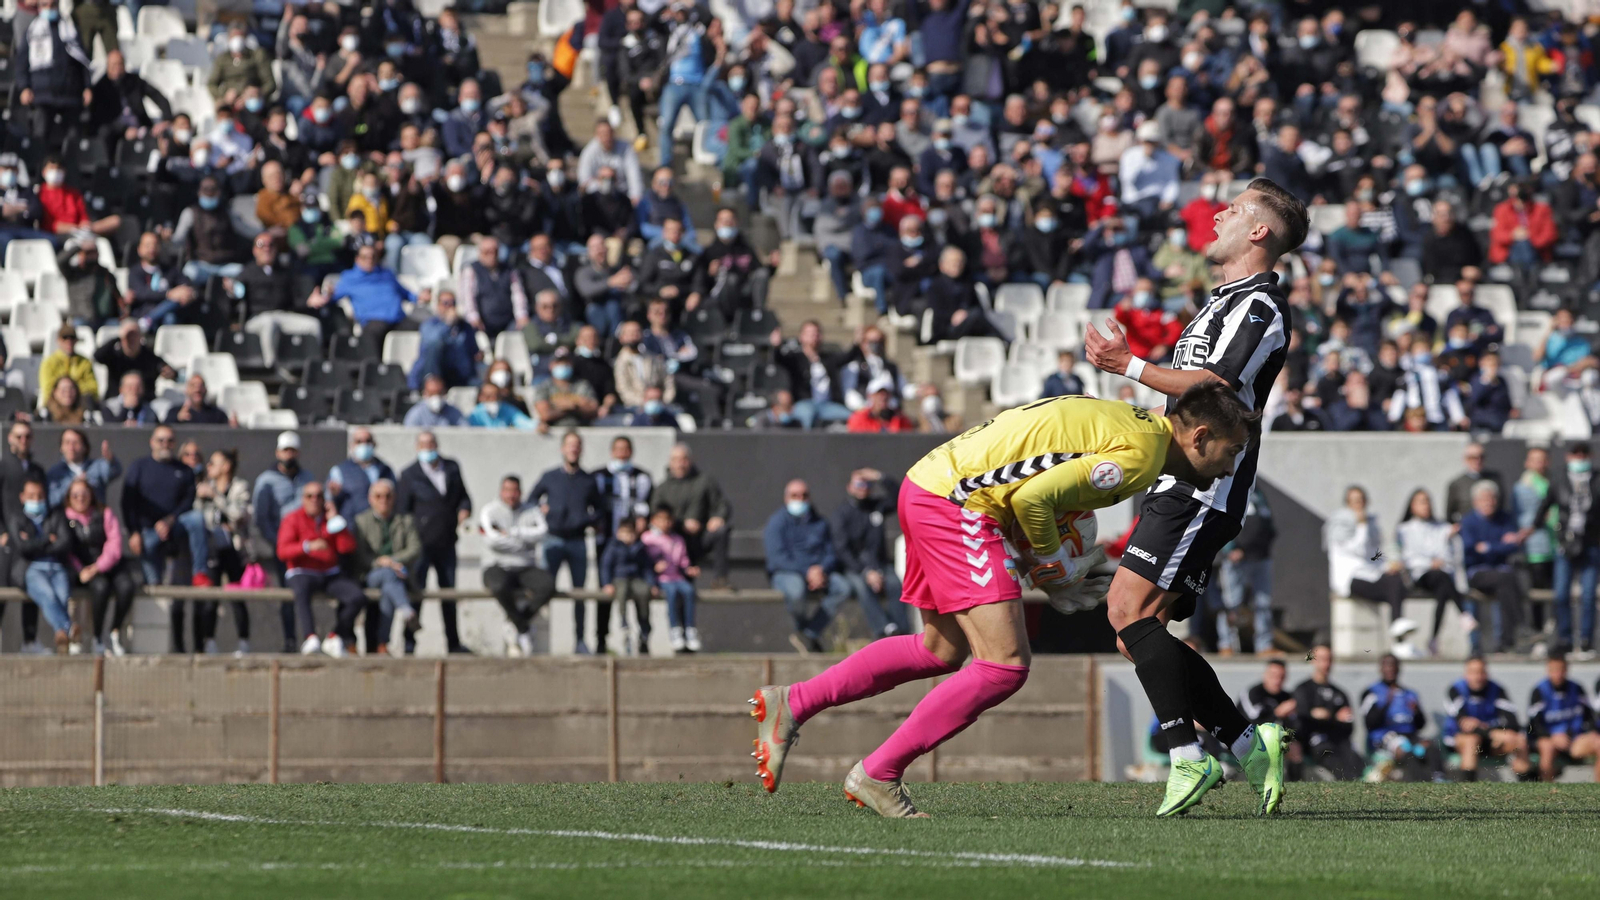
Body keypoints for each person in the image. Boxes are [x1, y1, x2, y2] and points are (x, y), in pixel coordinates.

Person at [751, 385, 1254, 815]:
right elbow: (1033, 500)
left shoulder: (1135, 424)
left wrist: (1046, 555)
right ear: (1199, 437)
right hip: (958, 505)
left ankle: (794, 702)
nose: (1231, 468)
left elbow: (1032, 479)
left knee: (939, 650)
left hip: (929, 486)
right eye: (1232, 452)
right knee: (1004, 665)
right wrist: (1056, 566)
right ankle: (877, 774)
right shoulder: (1141, 458)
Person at [1083, 176, 1308, 817]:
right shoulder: (1223, 300)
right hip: (1177, 477)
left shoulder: (1260, 306)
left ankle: (1188, 755)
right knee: (1137, 631)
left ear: (1259, 231)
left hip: (1205, 484)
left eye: (1234, 209)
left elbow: (1213, 385)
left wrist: (1129, 365)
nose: (1219, 215)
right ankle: (1247, 742)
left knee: (1126, 612)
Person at [120, 426, 197, 652]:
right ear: (152, 442)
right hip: (147, 536)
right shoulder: (139, 467)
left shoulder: (184, 470)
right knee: (152, 591)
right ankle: (150, 648)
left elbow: (188, 501)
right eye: (161, 440)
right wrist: (134, 532)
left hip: (178, 538)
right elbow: (128, 502)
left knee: (178, 596)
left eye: (170, 440)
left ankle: (178, 647)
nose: (165, 444)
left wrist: (170, 520)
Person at [396, 431, 472, 655]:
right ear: (417, 447)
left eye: (431, 444)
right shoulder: (409, 475)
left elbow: (464, 497)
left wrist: (464, 510)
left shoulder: (451, 468)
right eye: (423, 444)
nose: (428, 448)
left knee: (449, 595)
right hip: (420, 546)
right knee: (416, 594)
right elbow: (404, 512)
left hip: (446, 542)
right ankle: (409, 643)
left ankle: (453, 643)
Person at [529, 431, 603, 653]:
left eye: (577, 445)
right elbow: (531, 500)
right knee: (543, 589)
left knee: (579, 593)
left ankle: (580, 640)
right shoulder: (550, 476)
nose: (573, 449)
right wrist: (541, 511)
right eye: (569, 445)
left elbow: (599, 510)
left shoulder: (588, 480)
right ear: (562, 448)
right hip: (552, 540)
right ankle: (539, 641)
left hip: (577, 542)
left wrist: (585, 519)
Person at [763, 479, 854, 654]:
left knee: (843, 587)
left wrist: (821, 570)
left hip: (818, 573)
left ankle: (809, 632)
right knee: (796, 591)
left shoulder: (820, 522)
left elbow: (831, 553)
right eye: (794, 495)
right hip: (787, 573)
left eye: (804, 495)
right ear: (786, 498)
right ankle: (803, 630)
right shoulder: (776, 523)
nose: (800, 499)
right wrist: (808, 571)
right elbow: (777, 558)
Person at [277, 482, 362, 658]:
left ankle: (334, 636)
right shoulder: (292, 519)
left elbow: (347, 548)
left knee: (357, 596)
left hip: (329, 573)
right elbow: (282, 551)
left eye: (319, 496)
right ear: (303, 499)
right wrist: (307, 546)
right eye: (309, 496)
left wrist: (336, 520)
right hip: (301, 571)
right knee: (301, 590)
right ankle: (310, 637)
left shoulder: (329, 520)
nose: (314, 500)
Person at [479, 474, 555, 658]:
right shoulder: (489, 511)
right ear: (501, 491)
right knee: (498, 586)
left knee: (548, 585)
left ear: (520, 492)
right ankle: (522, 628)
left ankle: (518, 622)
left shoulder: (532, 511)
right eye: (507, 491)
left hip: (525, 566)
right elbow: (493, 541)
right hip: (497, 564)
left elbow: (542, 533)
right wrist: (524, 541)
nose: (511, 495)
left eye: (514, 491)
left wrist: (511, 534)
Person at [62, 477, 136, 657]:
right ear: (69, 498)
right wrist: (80, 570)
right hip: (82, 571)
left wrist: (96, 567)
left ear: (91, 495)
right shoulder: (64, 518)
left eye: (84, 494)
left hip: (106, 566)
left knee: (126, 587)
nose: (80, 498)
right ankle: (96, 637)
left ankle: (115, 630)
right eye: (75, 495)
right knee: (100, 588)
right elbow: (66, 549)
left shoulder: (104, 513)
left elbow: (114, 545)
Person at [252, 431, 312, 652]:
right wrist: (278, 543)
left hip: (306, 548)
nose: (289, 455)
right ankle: (289, 640)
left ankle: (310, 637)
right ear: (278, 452)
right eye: (286, 450)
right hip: (283, 547)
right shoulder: (266, 481)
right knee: (288, 594)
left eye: (293, 450)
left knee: (306, 590)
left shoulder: (307, 478)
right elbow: (262, 517)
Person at [833, 468, 909, 640]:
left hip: (880, 565)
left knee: (896, 585)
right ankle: (884, 629)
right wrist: (866, 571)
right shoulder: (842, 514)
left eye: (867, 483)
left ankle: (902, 632)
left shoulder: (877, 507)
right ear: (849, 487)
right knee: (862, 587)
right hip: (855, 568)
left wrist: (879, 476)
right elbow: (842, 549)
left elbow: (900, 496)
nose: (863, 487)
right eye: (859, 483)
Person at [1542, 443, 1600, 656]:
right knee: (1561, 593)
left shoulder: (1596, 480)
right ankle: (1565, 638)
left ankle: (1586, 639)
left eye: (1584, 454)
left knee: (1587, 596)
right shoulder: (1559, 480)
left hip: (1591, 544)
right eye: (1576, 454)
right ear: (1568, 457)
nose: (1580, 458)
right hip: (1565, 544)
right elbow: (1544, 508)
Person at [1395, 489, 1468, 656]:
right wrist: (1429, 562)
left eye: (1427, 501)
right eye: (1421, 501)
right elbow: (1408, 557)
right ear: (1412, 506)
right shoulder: (1405, 529)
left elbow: (1445, 554)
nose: (1425, 505)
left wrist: (1447, 538)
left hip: (1441, 576)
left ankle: (1434, 639)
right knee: (1442, 579)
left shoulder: (1440, 527)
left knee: (1443, 587)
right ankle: (1463, 613)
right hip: (1419, 575)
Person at [353, 478, 421, 656]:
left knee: (388, 589)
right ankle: (405, 612)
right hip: (371, 574)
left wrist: (391, 560)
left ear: (394, 498)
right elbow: (359, 555)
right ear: (370, 499)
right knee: (387, 576)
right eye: (378, 496)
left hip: (399, 574)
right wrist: (379, 562)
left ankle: (382, 644)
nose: (383, 500)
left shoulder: (405, 521)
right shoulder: (361, 521)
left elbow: (415, 548)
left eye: (388, 496)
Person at [1459, 480, 1527, 654]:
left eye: (1492, 499)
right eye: (1484, 499)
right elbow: (1471, 549)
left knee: (1506, 585)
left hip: (1501, 573)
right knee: (1506, 579)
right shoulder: (1468, 522)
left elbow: (1514, 545)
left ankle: (1505, 642)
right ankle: (1520, 628)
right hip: (1477, 573)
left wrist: (1488, 547)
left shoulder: (1504, 518)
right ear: (1475, 502)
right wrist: (1498, 546)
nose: (1489, 502)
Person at [655, 444, 732, 588]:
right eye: (676, 459)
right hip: (676, 542)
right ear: (670, 462)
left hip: (701, 538)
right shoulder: (662, 488)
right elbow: (655, 514)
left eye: (684, 459)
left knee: (721, 531)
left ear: (690, 460)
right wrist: (680, 524)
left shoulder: (704, 481)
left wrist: (717, 517)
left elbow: (722, 504)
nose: (680, 464)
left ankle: (720, 579)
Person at [1326, 485, 1407, 620]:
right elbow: (1359, 549)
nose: (1359, 505)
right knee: (1393, 588)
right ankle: (1397, 629)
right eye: (1355, 501)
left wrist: (1388, 565)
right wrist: (1361, 525)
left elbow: (1374, 554)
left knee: (1396, 582)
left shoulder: (1370, 525)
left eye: (1361, 500)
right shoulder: (1339, 525)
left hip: (1370, 574)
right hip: (1350, 579)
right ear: (1348, 504)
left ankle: (1398, 629)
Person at [1443, 657, 1531, 781]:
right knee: (1472, 741)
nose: (1478, 677)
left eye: (1481, 672)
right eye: (1473, 672)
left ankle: (1527, 789)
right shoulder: (1456, 690)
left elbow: (1512, 721)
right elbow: (1466, 725)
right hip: (1460, 740)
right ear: (1466, 674)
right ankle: (1467, 791)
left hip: (1491, 740)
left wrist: (1492, 732)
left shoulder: (1497, 690)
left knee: (1519, 741)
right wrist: (1492, 732)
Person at [13, 477, 74, 653]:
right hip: (32, 569)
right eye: (31, 496)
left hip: (56, 567)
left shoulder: (55, 515)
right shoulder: (17, 518)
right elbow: (23, 548)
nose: (36, 500)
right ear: (22, 497)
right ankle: (68, 628)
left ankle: (62, 633)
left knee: (62, 596)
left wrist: (35, 544)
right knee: (48, 595)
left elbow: (65, 543)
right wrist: (47, 539)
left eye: (40, 496)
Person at [1361, 654, 1438, 782]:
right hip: (1384, 737)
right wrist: (1387, 703)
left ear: (1399, 668)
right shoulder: (1372, 693)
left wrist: (1416, 712)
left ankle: (1439, 779)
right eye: (1387, 665)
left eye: (1393, 665)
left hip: (1409, 735)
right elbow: (1369, 723)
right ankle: (1422, 783)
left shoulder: (1410, 694)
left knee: (1431, 747)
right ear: (1381, 668)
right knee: (1405, 749)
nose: (1390, 668)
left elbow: (1421, 724)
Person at [1290, 645, 1362, 780]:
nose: (1326, 664)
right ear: (1313, 660)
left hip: (1339, 741)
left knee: (1356, 760)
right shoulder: (1303, 690)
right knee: (1331, 758)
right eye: (1322, 659)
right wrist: (1335, 717)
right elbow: (1303, 722)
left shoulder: (1340, 693)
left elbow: (1349, 726)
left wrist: (1325, 716)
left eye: (1329, 659)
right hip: (1316, 744)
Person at [1218, 486, 1275, 656]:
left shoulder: (1259, 494)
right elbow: (1221, 521)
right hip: (1237, 559)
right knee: (1231, 604)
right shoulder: (1230, 489)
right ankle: (1226, 644)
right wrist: (1230, 548)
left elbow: (1267, 524)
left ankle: (1264, 645)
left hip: (1260, 557)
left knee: (1263, 604)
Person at [323, 243, 413, 349]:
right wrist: (326, 295)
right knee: (369, 337)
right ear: (357, 259)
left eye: (373, 256)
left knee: (427, 329)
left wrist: (420, 297)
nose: (369, 260)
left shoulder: (387, 274)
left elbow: (406, 293)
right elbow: (332, 297)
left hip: (399, 320)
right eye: (365, 257)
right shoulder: (350, 278)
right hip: (374, 321)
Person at [1529, 655, 1600, 782]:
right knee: (1547, 747)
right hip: (1550, 739)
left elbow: (1589, 716)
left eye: (1561, 669)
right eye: (1554, 670)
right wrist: (1552, 736)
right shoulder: (1539, 691)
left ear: (1567, 670)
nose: (1558, 674)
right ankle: (1546, 792)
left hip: (1574, 740)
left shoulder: (1577, 689)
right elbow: (1534, 724)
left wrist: (1589, 732)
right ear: (1548, 671)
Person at [643, 505, 698, 654]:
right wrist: (653, 567)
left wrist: (689, 569)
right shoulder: (647, 538)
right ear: (653, 521)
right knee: (672, 594)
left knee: (689, 591)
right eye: (660, 520)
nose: (664, 523)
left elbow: (683, 560)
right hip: (661, 579)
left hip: (677, 577)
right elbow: (643, 560)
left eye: (668, 520)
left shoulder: (677, 539)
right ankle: (675, 629)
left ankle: (690, 628)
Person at [599, 517, 656, 655]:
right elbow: (605, 566)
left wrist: (652, 584)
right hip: (620, 578)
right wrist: (606, 583)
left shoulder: (639, 548)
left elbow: (646, 568)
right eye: (624, 533)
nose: (627, 537)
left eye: (630, 533)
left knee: (643, 592)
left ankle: (644, 625)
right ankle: (624, 620)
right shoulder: (613, 547)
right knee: (622, 590)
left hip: (636, 578)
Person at [410, 292, 482, 392]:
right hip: (434, 372)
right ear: (438, 305)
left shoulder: (465, 327)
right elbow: (432, 343)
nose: (449, 307)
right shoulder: (429, 324)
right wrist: (448, 325)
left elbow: (473, 351)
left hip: (458, 373)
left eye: (453, 303)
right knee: (434, 347)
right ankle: (432, 386)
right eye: (445, 303)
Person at [94, 319, 174, 402]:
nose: (131, 339)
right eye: (128, 336)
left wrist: (169, 373)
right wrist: (118, 337)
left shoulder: (148, 356)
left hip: (145, 404)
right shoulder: (114, 355)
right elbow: (97, 356)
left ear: (140, 336)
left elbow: (168, 370)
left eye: (134, 335)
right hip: (117, 401)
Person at [328, 428, 396, 522]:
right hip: (351, 525)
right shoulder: (339, 471)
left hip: (379, 526)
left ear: (374, 444)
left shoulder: (385, 469)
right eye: (359, 441)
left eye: (368, 441)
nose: (364, 445)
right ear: (351, 445)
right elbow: (330, 502)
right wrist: (334, 494)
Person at [38, 324, 97, 401]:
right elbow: (48, 390)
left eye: (72, 338)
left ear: (76, 340)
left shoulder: (84, 362)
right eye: (65, 338)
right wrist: (74, 389)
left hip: (80, 404)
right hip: (57, 404)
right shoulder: (49, 362)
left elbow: (94, 388)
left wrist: (68, 389)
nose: (69, 341)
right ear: (58, 340)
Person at [845, 378, 915, 432]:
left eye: (886, 393)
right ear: (870, 396)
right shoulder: (859, 419)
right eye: (878, 393)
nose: (883, 397)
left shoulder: (900, 419)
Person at [467, 382, 538, 430]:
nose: (493, 399)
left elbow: (522, 421)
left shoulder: (506, 409)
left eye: (496, 396)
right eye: (488, 396)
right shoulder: (475, 414)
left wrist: (537, 426)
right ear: (480, 397)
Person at [403, 374, 468, 427]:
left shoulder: (454, 412)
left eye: (439, 393)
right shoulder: (415, 414)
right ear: (425, 394)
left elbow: (465, 430)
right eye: (432, 394)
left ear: (445, 393)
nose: (436, 397)